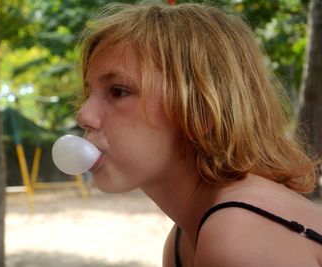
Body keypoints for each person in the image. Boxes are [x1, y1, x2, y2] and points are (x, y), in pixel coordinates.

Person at [75, 2, 322, 266]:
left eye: (119, 91)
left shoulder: (239, 235)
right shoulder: (182, 240)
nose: (83, 115)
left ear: (202, 111)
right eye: (90, 93)